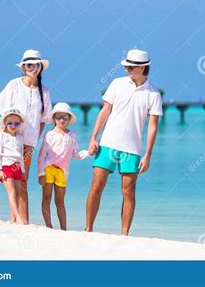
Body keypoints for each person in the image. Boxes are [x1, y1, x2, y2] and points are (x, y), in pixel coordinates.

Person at [86, 49, 162, 235]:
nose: (127, 69)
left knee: (128, 191)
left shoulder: (153, 94)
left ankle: (124, 234)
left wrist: (148, 154)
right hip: (107, 144)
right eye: (126, 66)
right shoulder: (116, 84)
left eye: (131, 66)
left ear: (142, 67)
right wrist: (93, 137)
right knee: (96, 185)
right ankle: (88, 229)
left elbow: (152, 126)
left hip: (132, 149)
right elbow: (105, 111)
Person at [0, 49, 52, 223]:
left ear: (40, 67)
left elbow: (43, 120)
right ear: (23, 67)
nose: (32, 67)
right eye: (28, 64)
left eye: (35, 64)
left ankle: (22, 220)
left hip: (27, 142)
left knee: (21, 180)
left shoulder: (44, 92)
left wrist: (34, 141)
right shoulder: (13, 85)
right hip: (4, 136)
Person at [38, 103, 90, 230]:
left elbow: (75, 154)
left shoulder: (72, 136)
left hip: (62, 172)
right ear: (54, 118)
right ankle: (49, 226)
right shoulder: (48, 135)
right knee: (46, 197)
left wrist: (89, 152)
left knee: (60, 201)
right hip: (48, 169)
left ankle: (63, 228)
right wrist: (41, 174)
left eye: (65, 118)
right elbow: (41, 156)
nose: (61, 120)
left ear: (68, 119)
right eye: (58, 117)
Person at [0, 109, 27, 225]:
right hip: (6, 166)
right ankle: (18, 216)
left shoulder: (20, 137)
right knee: (11, 192)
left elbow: (21, 156)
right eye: (10, 123)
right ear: (5, 123)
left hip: (17, 166)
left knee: (18, 193)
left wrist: (22, 171)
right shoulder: (0, 136)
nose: (13, 125)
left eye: (16, 123)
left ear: (20, 124)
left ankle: (12, 218)